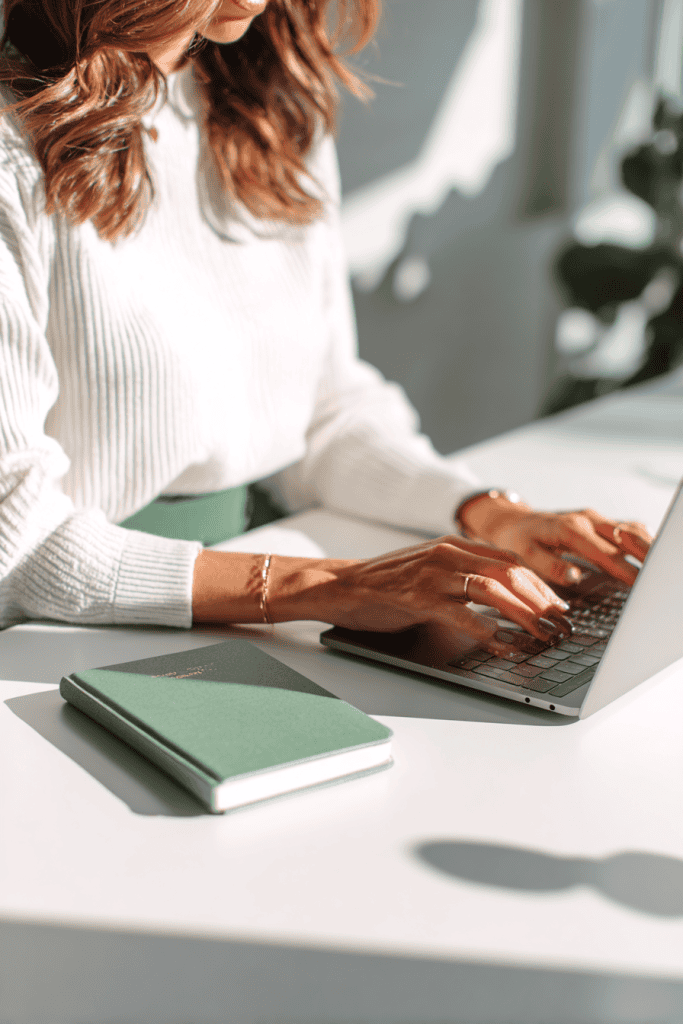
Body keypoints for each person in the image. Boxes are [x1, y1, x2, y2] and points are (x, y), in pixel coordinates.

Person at [0, 0, 650, 660]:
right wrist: (324, 586)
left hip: (235, 599)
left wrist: (489, 513)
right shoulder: (11, 149)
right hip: (54, 641)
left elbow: (324, 407)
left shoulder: (270, 105)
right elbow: (13, 535)